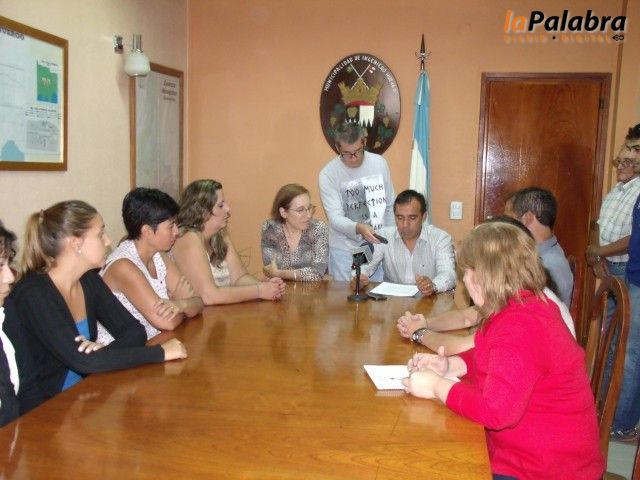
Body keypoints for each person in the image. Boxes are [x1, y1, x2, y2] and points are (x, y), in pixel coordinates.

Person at [402, 222, 603, 479]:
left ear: (483, 277)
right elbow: (496, 356)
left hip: (546, 470)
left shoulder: (520, 325)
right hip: (534, 457)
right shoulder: (520, 307)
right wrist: (453, 366)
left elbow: (495, 412)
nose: (464, 280)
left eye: (467, 272)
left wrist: (436, 386)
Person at [9, 200, 187, 406]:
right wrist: (160, 352)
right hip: (45, 407)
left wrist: (100, 356)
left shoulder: (88, 280)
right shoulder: (34, 294)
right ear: (76, 243)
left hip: (88, 393)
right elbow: (82, 361)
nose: (108, 240)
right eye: (100, 234)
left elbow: (134, 331)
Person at [397, 216, 576, 355]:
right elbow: (466, 317)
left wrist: (420, 333)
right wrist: (425, 322)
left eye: (471, 270)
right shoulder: (513, 292)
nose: (465, 280)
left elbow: (463, 346)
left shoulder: (522, 313)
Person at [97, 188, 203, 345]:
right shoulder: (123, 266)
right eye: (171, 226)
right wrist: (181, 303)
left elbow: (198, 302)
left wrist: (180, 304)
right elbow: (167, 323)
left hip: (155, 344)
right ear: (146, 231)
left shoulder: (159, 256)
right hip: (121, 352)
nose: (177, 232)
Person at [171, 179, 285, 304]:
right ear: (202, 212)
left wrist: (268, 287)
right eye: (220, 205)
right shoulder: (187, 238)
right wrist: (259, 290)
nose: (228, 208)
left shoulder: (220, 234)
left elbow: (239, 278)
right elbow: (209, 296)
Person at [319, 122, 395, 281]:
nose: (353, 158)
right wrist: (358, 228)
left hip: (378, 247)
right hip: (344, 250)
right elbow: (334, 217)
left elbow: (389, 206)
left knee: (376, 294)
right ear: (337, 148)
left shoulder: (379, 163)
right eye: (347, 153)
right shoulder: (328, 174)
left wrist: (389, 239)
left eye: (358, 151)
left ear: (364, 142)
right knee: (346, 294)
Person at [350, 189, 455, 296]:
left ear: (423, 217)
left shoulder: (440, 238)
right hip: (393, 301)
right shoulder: (382, 236)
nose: (405, 225)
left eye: (412, 218)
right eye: (400, 218)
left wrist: (433, 285)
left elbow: (449, 274)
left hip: (430, 300)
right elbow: (360, 265)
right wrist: (359, 278)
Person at [610, 123, 640, 442]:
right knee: (623, 347)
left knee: (633, 353)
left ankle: (623, 425)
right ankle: (615, 414)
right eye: (628, 148)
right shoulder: (631, 188)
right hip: (632, 275)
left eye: (636, 150)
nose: (629, 156)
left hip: (637, 279)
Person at [0, 223, 42, 426]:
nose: (9, 277)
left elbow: (28, 385)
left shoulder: (6, 310)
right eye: (0, 266)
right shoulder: (32, 291)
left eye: (7, 264)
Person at [504, 187, 573, 307]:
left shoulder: (551, 264)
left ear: (528, 218)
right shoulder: (535, 253)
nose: (505, 226)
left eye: (509, 219)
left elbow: (537, 310)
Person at [587, 125, 640, 279]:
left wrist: (598, 252)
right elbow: (597, 223)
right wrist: (597, 257)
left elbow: (635, 238)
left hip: (626, 267)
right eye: (619, 161)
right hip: (606, 264)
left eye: (627, 162)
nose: (620, 166)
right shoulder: (616, 190)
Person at [261, 184, 328, 281]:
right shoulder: (271, 229)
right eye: (300, 210)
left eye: (309, 208)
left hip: (314, 289)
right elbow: (270, 269)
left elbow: (317, 273)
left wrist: (281, 274)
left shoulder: (318, 228)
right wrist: (275, 274)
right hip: (281, 287)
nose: (308, 215)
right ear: (283, 212)